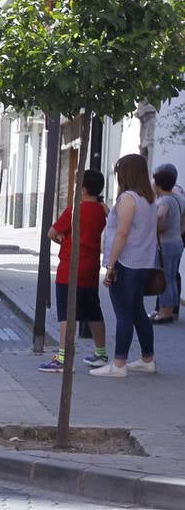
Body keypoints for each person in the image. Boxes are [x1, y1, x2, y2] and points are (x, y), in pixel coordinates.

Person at [91, 153, 158, 378]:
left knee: (123, 314)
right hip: (144, 263)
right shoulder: (149, 199)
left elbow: (122, 232)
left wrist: (110, 266)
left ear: (126, 173)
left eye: (119, 170)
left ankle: (119, 363)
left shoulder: (128, 198)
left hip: (127, 263)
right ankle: (148, 359)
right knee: (138, 312)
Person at [39, 171, 109, 372]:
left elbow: (51, 233)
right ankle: (101, 353)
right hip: (91, 269)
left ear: (84, 189)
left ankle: (62, 358)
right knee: (93, 311)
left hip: (70, 269)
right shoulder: (101, 211)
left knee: (66, 315)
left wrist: (60, 236)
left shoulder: (73, 211)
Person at [152, 164, 184, 324]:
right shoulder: (178, 197)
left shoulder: (164, 200)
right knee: (171, 278)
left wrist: (155, 229)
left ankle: (164, 312)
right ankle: (170, 310)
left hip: (166, 244)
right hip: (177, 241)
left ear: (158, 184)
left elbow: (161, 218)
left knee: (165, 278)